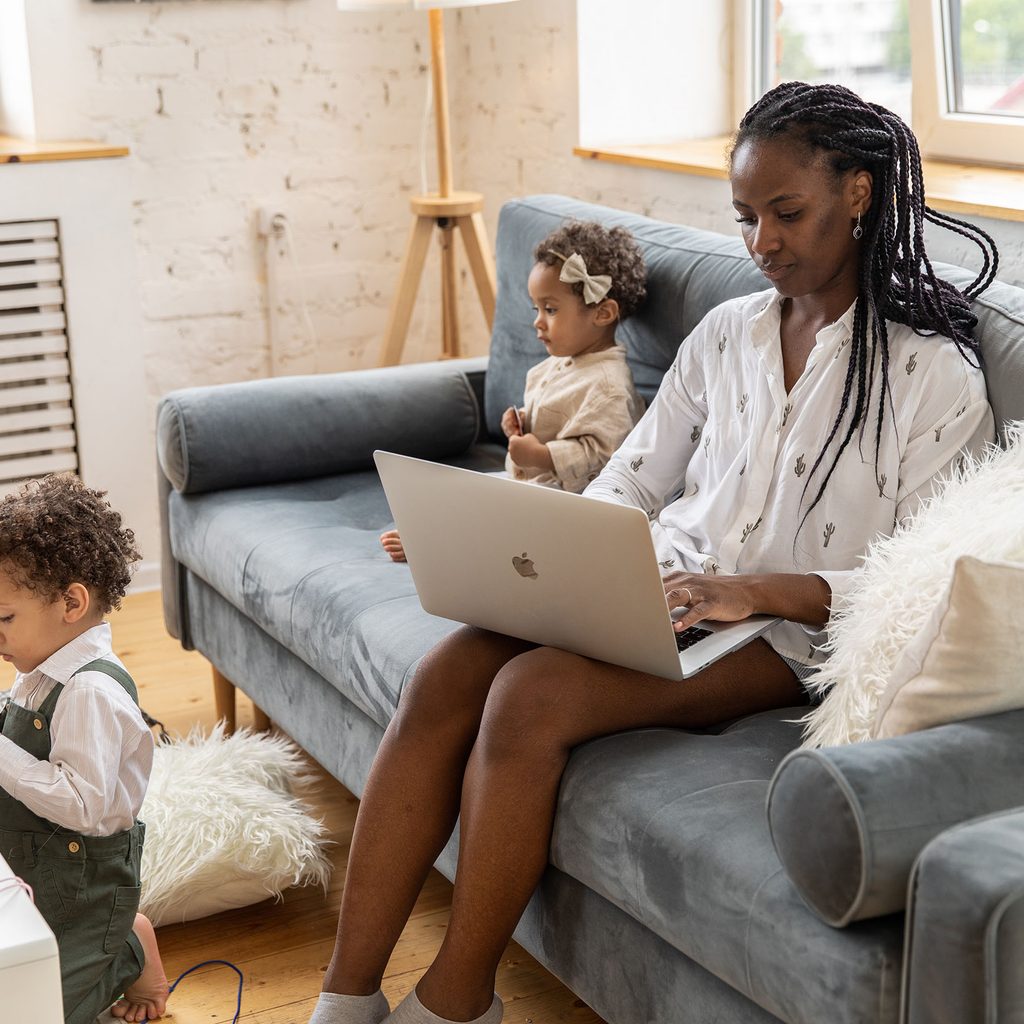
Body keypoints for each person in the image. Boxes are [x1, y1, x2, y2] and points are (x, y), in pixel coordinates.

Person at [311, 82, 998, 1024]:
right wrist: (550, 553)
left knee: (529, 695)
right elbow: (632, 483)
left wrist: (744, 590)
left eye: (786, 213)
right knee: (444, 674)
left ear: (861, 193)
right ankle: (343, 1003)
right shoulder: (729, 334)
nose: (761, 242)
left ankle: (455, 1002)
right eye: (746, 217)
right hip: (660, 588)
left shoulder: (932, 372)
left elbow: (914, 584)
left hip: (779, 633)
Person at [0, 475, 169, 1024]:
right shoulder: (43, 664)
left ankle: (126, 946)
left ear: (71, 602)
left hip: (82, 884)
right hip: (34, 859)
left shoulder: (91, 691)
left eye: (4, 618)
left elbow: (85, 807)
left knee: (41, 1010)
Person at [380, 219, 646, 562]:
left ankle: (439, 541)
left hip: (568, 500)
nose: (537, 321)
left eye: (550, 309)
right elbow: (555, 418)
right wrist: (523, 422)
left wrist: (540, 455)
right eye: (536, 308)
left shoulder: (608, 385)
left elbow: (604, 456)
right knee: (464, 490)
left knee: (496, 518)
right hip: (529, 484)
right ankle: (436, 524)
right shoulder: (561, 363)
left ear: (603, 313)